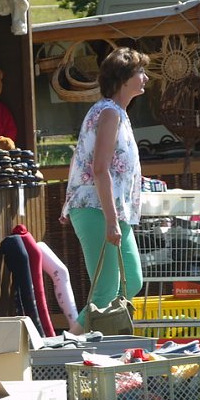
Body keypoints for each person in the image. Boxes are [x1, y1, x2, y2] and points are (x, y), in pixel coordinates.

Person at [60, 47, 150, 335]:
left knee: (131, 281)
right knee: (105, 290)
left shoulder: (118, 114)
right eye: (140, 72)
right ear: (123, 79)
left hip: (112, 210)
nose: (145, 77)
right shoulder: (109, 113)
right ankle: (66, 351)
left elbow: (81, 157)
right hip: (98, 210)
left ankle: (81, 344)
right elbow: (99, 168)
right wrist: (111, 221)